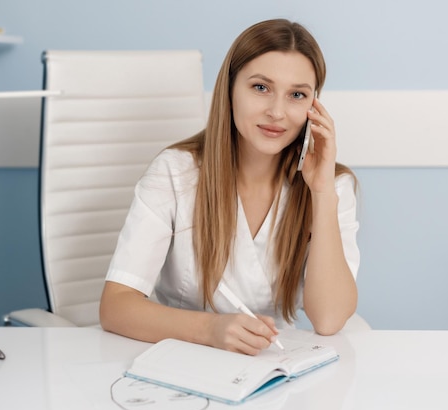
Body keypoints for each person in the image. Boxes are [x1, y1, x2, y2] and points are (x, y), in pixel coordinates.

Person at [99, 18, 359, 355]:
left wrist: (321, 193)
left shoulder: (332, 184)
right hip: (181, 357)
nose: (277, 111)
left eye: (297, 95)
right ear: (230, 90)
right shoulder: (175, 172)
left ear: (314, 106)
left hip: (272, 366)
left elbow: (329, 319)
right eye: (261, 87)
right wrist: (210, 330)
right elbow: (116, 306)